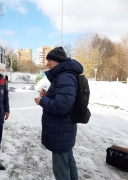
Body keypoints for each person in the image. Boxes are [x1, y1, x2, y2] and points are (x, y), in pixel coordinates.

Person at [34, 47, 83, 180]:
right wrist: (47, 96)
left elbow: (62, 106)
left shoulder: (65, 76)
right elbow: (62, 99)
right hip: (63, 128)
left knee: (60, 168)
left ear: (58, 61)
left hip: (60, 129)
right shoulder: (66, 75)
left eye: (49, 60)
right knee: (68, 160)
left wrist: (42, 101)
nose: (47, 63)